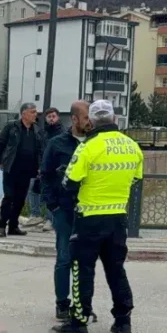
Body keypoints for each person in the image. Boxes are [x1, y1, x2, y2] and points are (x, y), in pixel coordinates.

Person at [52, 99, 143, 333]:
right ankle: (123, 322)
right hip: (117, 219)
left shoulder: (88, 147)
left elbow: (68, 183)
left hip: (89, 218)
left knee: (83, 269)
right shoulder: (132, 146)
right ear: (114, 119)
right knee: (116, 270)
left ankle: (79, 322)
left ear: (91, 121)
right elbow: (136, 180)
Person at [40, 100, 91, 321]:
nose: (90, 122)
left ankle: (81, 305)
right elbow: (46, 174)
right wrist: (53, 205)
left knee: (85, 260)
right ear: (75, 118)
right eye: (87, 117)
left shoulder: (95, 142)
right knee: (64, 258)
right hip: (64, 209)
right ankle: (62, 303)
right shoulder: (57, 143)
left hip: (90, 210)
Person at [0, 102, 45, 238]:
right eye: (33, 112)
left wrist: (39, 166)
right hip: (11, 169)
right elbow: (0, 143)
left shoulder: (37, 130)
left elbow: (40, 150)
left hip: (27, 170)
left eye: (35, 112)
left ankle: (13, 226)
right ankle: (1, 225)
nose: (36, 114)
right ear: (24, 114)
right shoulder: (12, 126)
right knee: (9, 197)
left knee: (20, 200)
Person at [24, 108, 63, 228]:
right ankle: (35, 215)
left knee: (50, 193)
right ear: (45, 118)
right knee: (33, 189)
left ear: (58, 117)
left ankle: (50, 220)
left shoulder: (62, 133)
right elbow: (39, 150)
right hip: (41, 167)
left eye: (53, 116)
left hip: (55, 169)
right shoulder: (43, 132)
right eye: (49, 116)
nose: (51, 119)